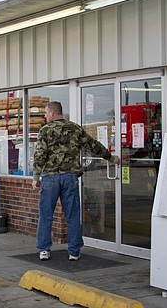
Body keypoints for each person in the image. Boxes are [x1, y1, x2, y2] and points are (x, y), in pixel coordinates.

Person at [32, 101, 119, 261]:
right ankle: (74, 251)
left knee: (46, 215)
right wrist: (111, 158)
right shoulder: (75, 128)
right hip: (70, 177)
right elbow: (93, 145)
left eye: (45, 113)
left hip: (51, 178)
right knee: (72, 215)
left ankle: (44, 249)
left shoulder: (45, 130)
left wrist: (36, 177)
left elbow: (40, 155)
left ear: (52, 112)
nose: (45, 116)